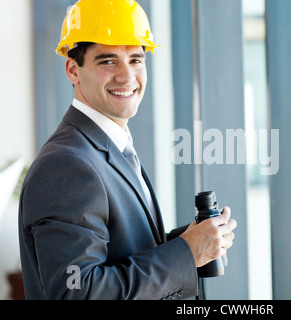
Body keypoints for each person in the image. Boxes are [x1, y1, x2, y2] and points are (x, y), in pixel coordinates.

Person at [18, 0, 236, 300]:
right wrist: (186, 253)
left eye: (136, 59)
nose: (126, 76)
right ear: (73, 70)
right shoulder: (67, 164)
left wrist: (187, 243)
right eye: (108, 61)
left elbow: (118, 254)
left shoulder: (109, 148)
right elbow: (78, 291)